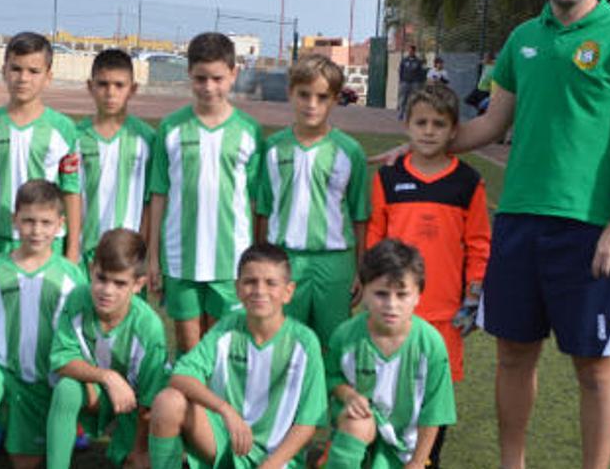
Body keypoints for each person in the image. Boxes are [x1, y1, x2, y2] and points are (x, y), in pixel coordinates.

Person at [374, 0, 610, 467]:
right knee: (513, 355)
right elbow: (491, 124)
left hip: (592, 228)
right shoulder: (522, 40)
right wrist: (423, 151)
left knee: (595, 365)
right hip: (517, 223)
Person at [366, 84, 490, 464]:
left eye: (439, 123)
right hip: (393, 309)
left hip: (445, 312)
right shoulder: (388, 178)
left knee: (436, 392)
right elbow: (374, 235)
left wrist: (473, 296)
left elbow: (479, 242)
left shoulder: (468, 181)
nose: (429, 130)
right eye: (421, 122)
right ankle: (379, 455)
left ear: (454, 130)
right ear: (407, 125)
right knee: (384, 385)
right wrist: (370, 285)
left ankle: (427, 459)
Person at [147, 243, 326, 469]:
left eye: (271, 283)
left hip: (276, 460)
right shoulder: (228, 328)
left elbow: (308, 424)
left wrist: (269, 465)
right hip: (226, 444)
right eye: (250, 282)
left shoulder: (305, 342)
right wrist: (225, 410)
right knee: (168, 401)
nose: (259, 291)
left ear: (288, 292)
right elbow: (180, 376)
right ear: (238, 288)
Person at [0, 180, 89, 469]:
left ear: (60, 225)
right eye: (28, 221)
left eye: (45, 222)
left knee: (25, 463)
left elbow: (85, 337)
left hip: (46, 378)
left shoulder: (71, 275)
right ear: (15, 220)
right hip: (0, 369)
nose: (36, 230)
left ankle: (31, 426)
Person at [148, 32, 263, 354]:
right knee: (188, 349)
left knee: (221, 349)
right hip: (180, 257)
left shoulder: (249, 131)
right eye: (200, 78)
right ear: (189, 75)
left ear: (233, 74)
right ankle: (189, 406)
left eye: (217, 78)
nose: (209, 87)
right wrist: (153, 256)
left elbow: (255, 202)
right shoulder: (171, 128)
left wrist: (255, 257)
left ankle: (216, 406)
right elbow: (159, 194)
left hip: (231, 260)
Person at [256, 54, 370, 345]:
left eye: (322, 97)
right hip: (285, 259)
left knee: (334, 346)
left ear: (334, 100)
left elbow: (359, 215)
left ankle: (330, 393)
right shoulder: (272, 148)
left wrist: (360, 269)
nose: (312, 104)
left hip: (335, 263)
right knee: (285, 344)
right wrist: (262, 261)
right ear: (290, 93)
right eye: (304, 95)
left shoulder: (349, 151)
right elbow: (263, 211)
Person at [0, 32, 83, 283]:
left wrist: (71, 252)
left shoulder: (63, 128)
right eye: (16, 69)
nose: (23, 78)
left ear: (48, 77)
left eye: (34, 71)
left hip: (48, 245)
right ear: (4, 70)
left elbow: (71, 192)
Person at [321, 239, 456, 469]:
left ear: (418, 296)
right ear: (363, 291)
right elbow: (331, 378)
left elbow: (434, 412)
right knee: (357, 423)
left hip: (408, 447)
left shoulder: (431, 344)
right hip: (360, 434)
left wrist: (417, 462)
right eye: (381, 294)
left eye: (402, 294)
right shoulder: (345, 336)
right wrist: (349, 396)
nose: (391, 305)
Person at [46, 228, 170, 468]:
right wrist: (107, 377)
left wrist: (138, 449)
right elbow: (61, 359)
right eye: (101, 278)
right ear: (91, 269)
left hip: (134, 409)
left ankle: (128, 445)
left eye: (120, 283)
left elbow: (149, 401)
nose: (107, 290)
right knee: (67, 389)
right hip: (95, 394)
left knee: (136, 460)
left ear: (138, 284)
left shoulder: (149, 327)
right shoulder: (77, 299)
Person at [76, 49, 157, 271]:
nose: (110, 93)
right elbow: (69, 196)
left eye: (119, 85)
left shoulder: (147, 138)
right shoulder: (75, 137)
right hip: (85, 252)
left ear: (133, 89)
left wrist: (144, 249)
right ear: (90, 87)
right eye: (102, 84)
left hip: (129, 253)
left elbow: (151, 201)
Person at [396, 45, 425, 120]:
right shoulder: (404, 60)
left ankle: (410, 115)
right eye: (409, 51)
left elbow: (421, 73)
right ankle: (400, 114)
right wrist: (401, 80)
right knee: (402, 98)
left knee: (413, 99)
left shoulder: (418, 61)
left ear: (414, 51)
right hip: (405, 82)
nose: (410, 52)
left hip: (415, 83)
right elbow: (401, 70)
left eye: (411, 51)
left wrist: (420, 82)